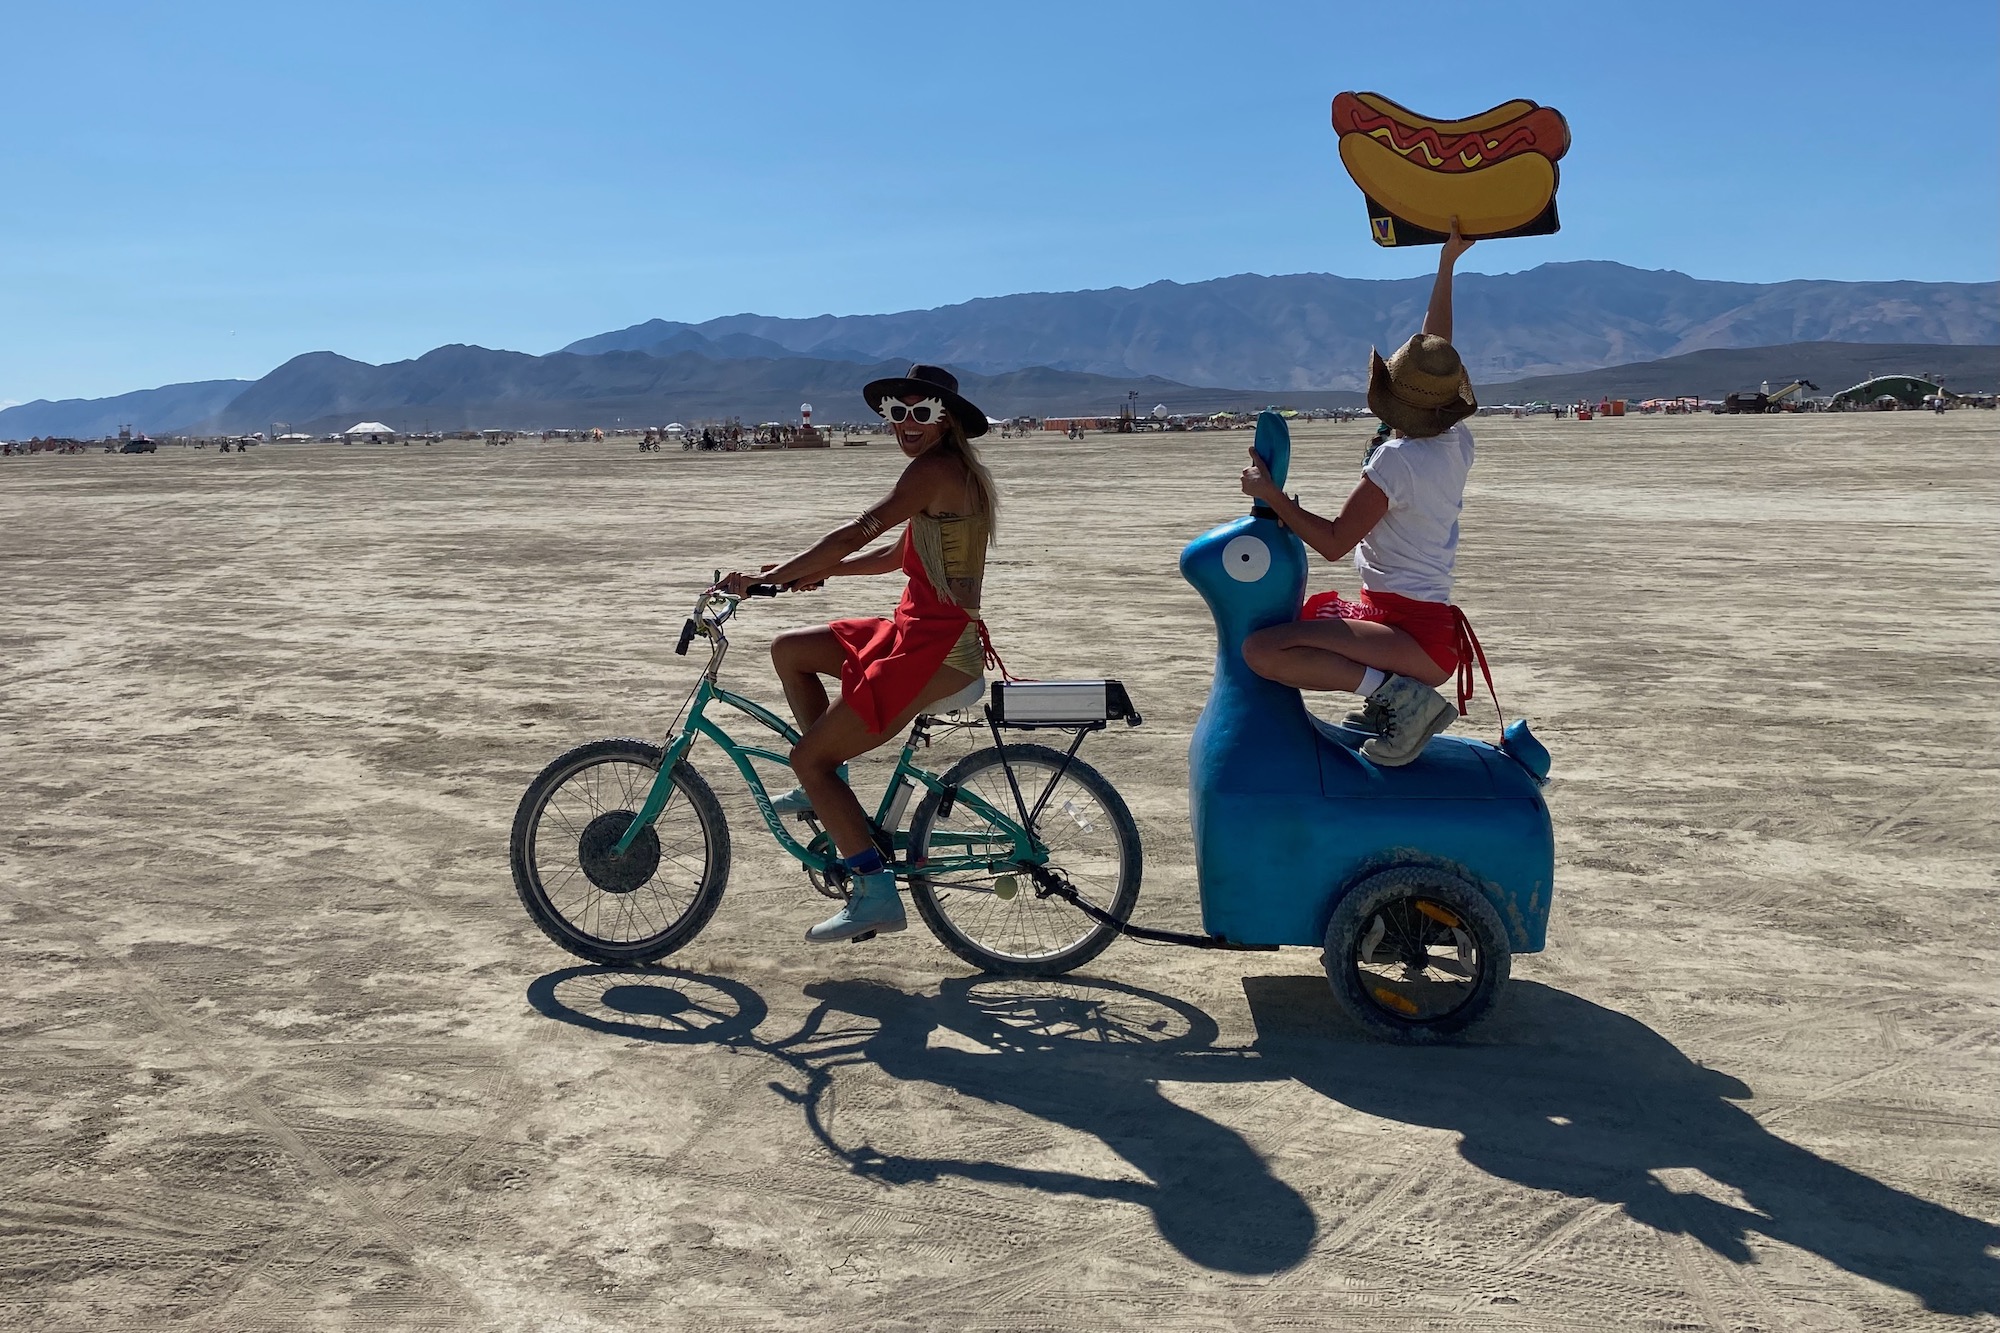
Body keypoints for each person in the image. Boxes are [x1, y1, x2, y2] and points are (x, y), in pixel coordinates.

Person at [715, 364, 1000, 943]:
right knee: (790, 650)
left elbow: (855, 533)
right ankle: (830, 782)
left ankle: (873, 894)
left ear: (947, 421)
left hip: (937, 648)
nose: (906, 425)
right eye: (897, 413)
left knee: (807, 760)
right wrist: (801, 575)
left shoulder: (934, 472)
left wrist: (787, 572)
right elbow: (896, 556)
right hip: (915, 629)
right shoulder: (945, 475)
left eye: (921, 413)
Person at [1238, 218, 1493, 767]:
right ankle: (1386, 696)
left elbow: (1332, 542)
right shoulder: (1456, 442)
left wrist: (1271, 494)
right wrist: (1447, 264)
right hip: (1411, 618)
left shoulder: (1397, 461)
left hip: (1409, 631)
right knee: (1306, 623)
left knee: (1262, 650)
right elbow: (1436, 346)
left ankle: (1400, 699)